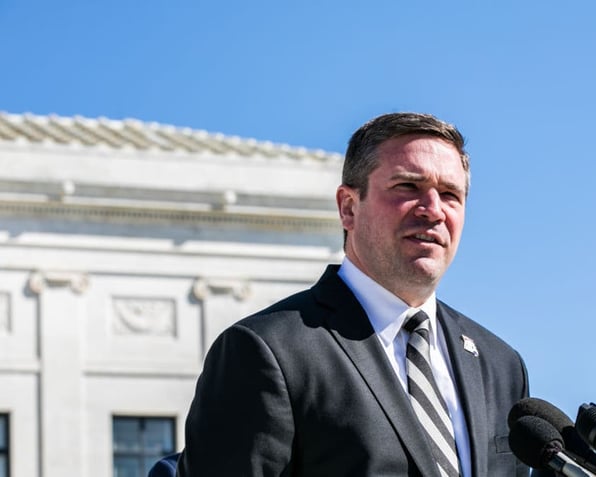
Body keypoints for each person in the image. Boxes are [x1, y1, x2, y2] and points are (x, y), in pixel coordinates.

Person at [175, 112, 530, 477]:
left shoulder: (500, 365)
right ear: (348, 207)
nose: (434, 211)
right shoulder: (267, 351)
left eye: (450, 194)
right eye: (408, 187)